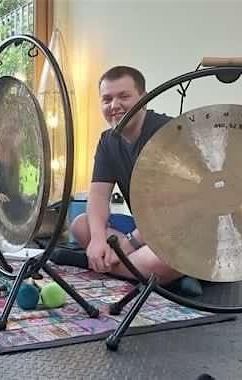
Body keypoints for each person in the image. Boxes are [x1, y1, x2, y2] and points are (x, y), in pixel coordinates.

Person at [53, 66, 188, 287]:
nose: (114, 105)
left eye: (124, 96)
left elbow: (172, 213)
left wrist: (129, 243)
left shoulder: (168, 134)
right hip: (145, 230)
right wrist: (97, 240)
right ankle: (153, 274)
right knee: (81, 225)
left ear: (143, 99)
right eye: (107, 99)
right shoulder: (108, 141)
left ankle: (94, 264)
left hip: (182, 230)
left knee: (168, 258)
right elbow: (98, 197)